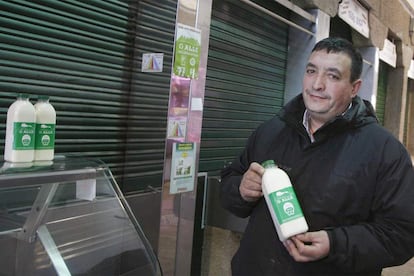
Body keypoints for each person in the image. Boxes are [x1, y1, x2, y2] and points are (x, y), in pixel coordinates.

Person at [220, 37, 414, 275]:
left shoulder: (385, 152)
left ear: (355, 88)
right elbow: (229, 184)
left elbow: (403, 234)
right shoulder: (270, 131)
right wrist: (240, 189)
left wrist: (335, 244)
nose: (317, 84)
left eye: (333, 76)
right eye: (311, 71)